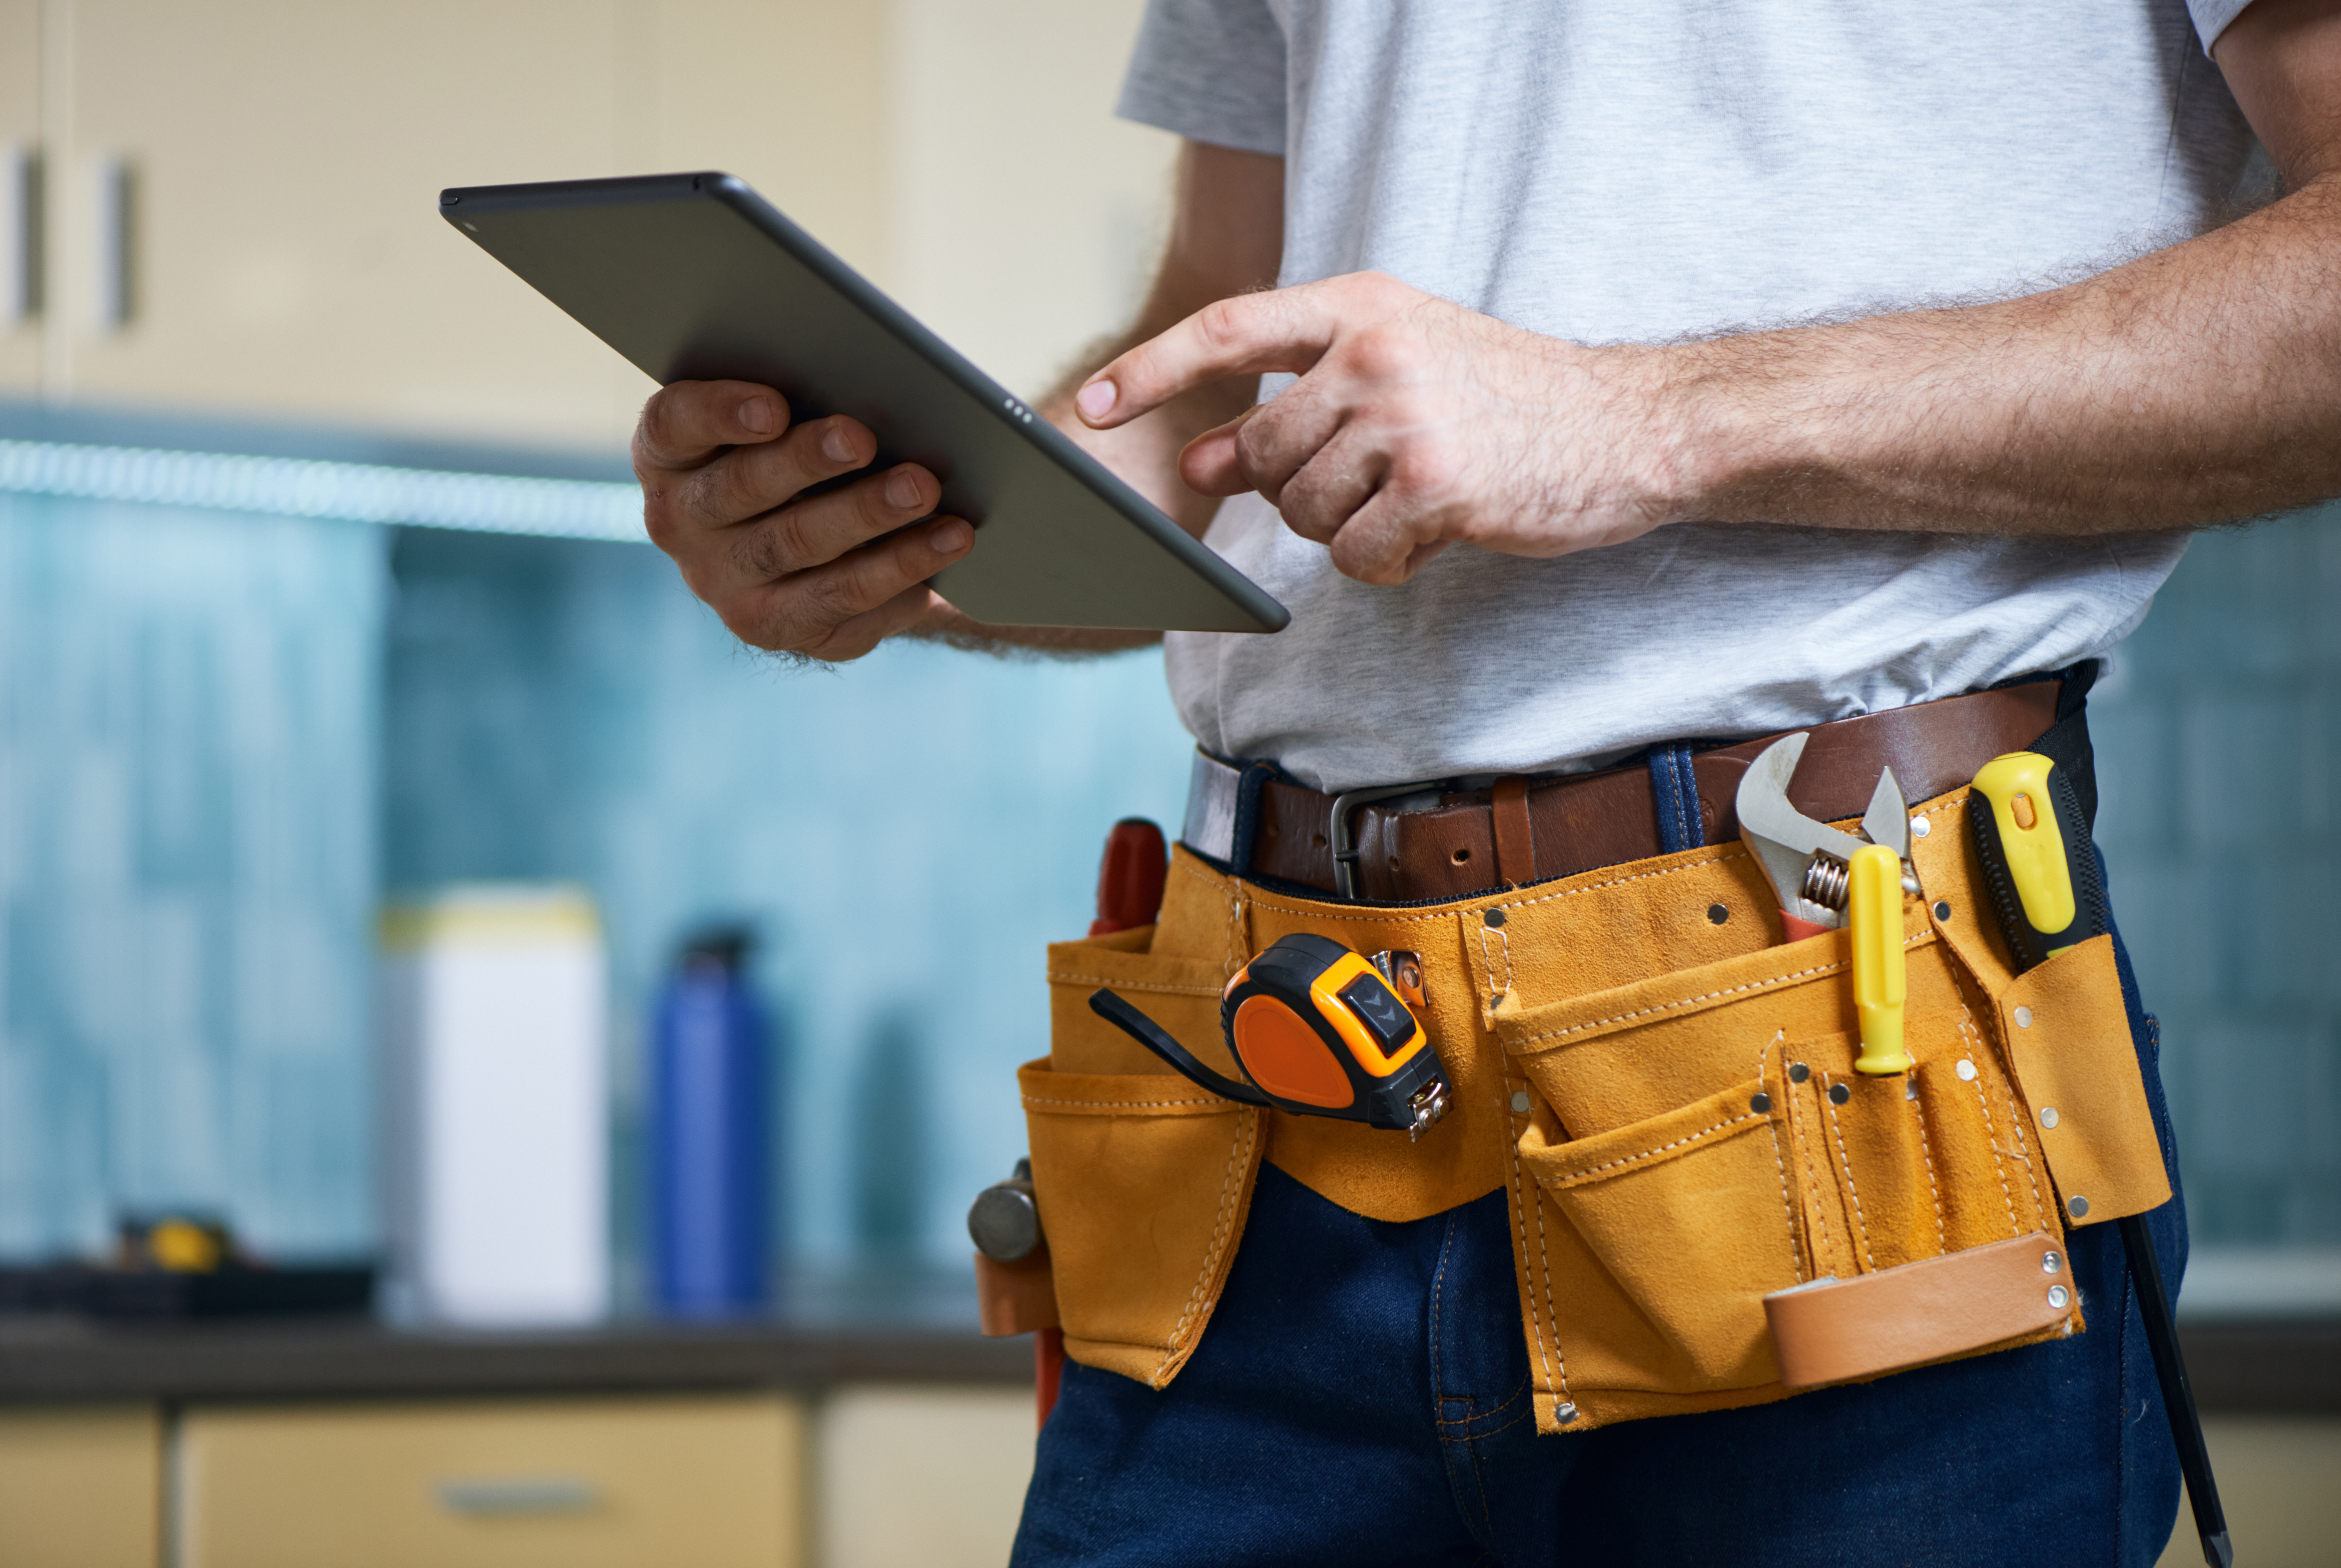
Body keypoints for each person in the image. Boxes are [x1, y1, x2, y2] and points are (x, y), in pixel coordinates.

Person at [635, 1, 2341, 1561]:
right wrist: (920, 539)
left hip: (1849, 1064)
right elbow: (1216, 372)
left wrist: (1642, 420)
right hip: (1264, 1094)